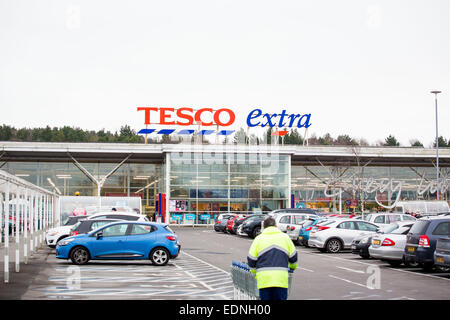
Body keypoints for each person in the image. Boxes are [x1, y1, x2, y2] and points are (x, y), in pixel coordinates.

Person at [247, 216, 298, 300]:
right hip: (281, 279)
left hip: (264, 280)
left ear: (264, 227)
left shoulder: (258, 239)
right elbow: (293, 257)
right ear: (276, 226)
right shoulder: (285, 238)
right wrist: (292, 267)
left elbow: (251, 259)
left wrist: (254, 271)